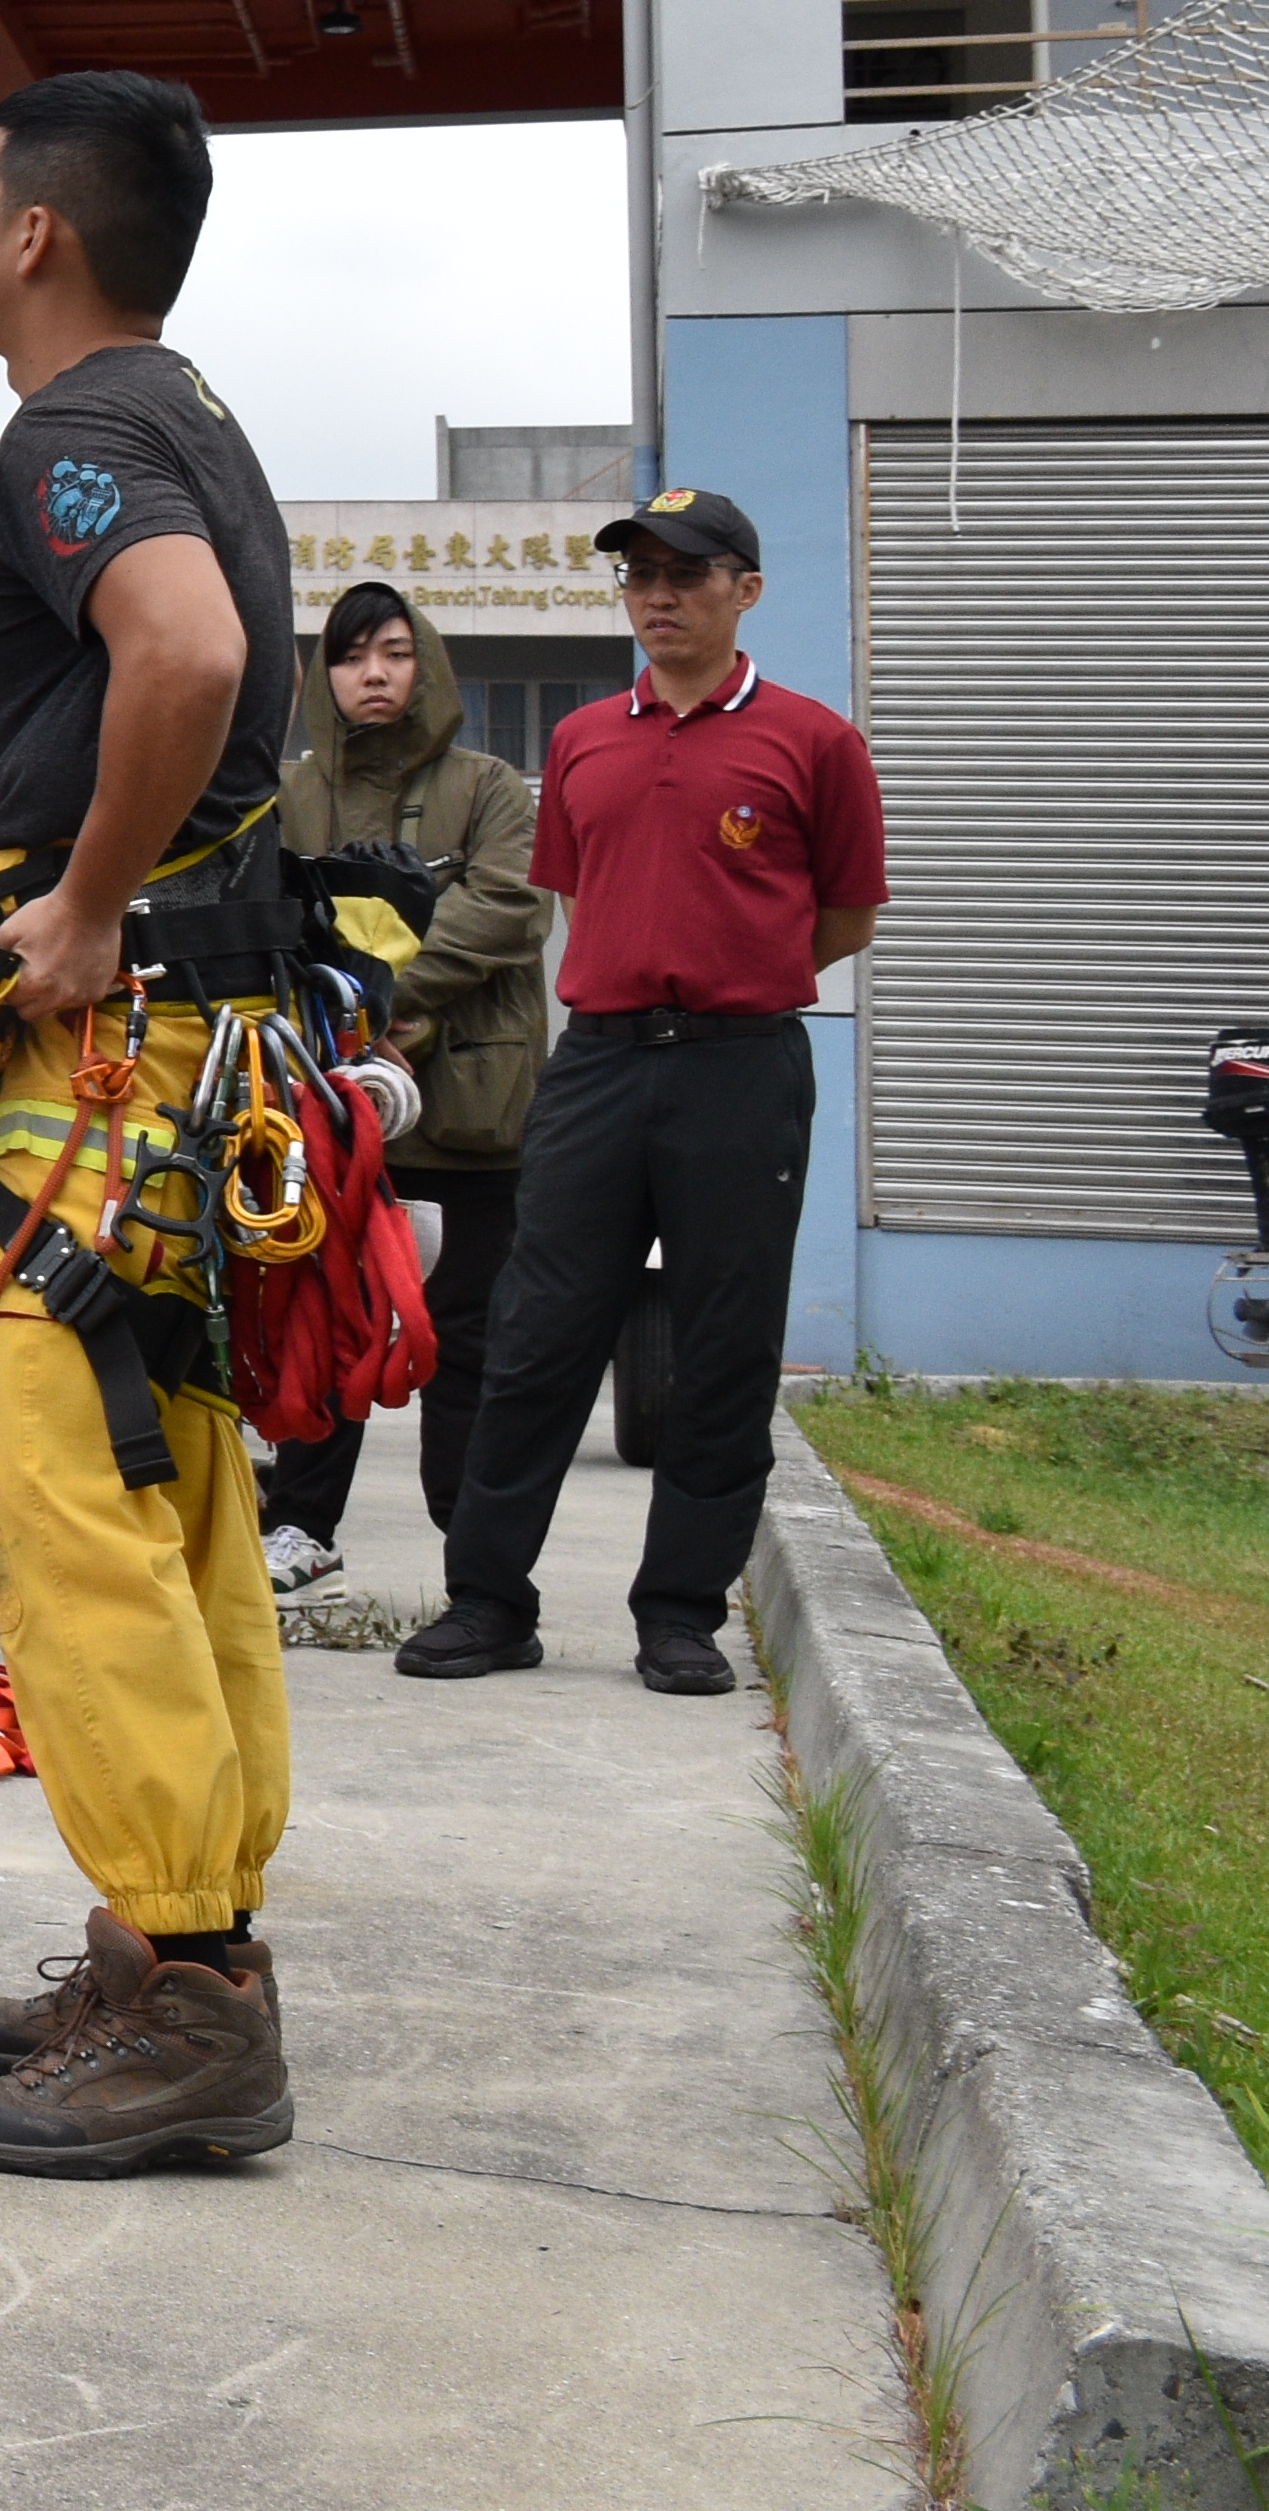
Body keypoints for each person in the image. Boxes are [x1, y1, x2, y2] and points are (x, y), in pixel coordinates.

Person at [0, 70, 307, 2183]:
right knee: (179, 1488)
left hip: (112, 1055)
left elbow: (189, 651)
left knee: (64, 1492)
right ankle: (176, 1938)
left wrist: (75, 901)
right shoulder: (197, 416)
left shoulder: (71, 432)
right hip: (200, 1056)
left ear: (40, 231)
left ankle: (192, 1998)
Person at [403, 494, 883, 1699]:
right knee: (536, 1332)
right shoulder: (581, 742)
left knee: (723, 1345)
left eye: (686, 573)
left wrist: (738, 980)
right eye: (636, 576)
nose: (657, 595)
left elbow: (847, 913)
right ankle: (489, 1600)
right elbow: (573, 899)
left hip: (741, 1063)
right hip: (602, 1063)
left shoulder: (813, 740)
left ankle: (679, 1616)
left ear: (746, 589)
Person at [254, 583, 546, 1589]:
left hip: (470, 1110)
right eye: (349, 656)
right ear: (323, 677)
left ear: (427, 663)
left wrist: (374, 987)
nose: (372, 674)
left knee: (469, 1332)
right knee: (322, 1318)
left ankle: (472, 1539)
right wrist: (348, 992)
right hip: (329, 1109)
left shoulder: (492, 784)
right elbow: (268, 915)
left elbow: (506, 908)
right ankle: (300, 1521)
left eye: (392, 651)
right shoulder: (287, 793)